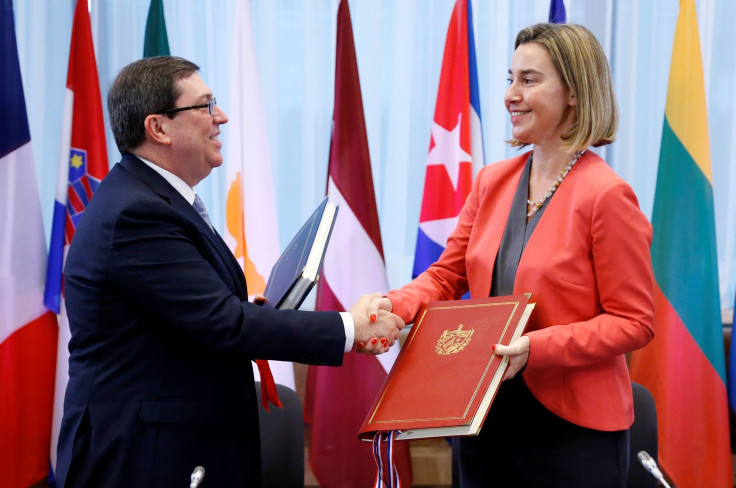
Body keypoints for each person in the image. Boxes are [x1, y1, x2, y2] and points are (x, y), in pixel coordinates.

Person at [56, 56, 402, 488]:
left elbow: (190, 312)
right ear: (158, 128)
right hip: (143, 456)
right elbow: (221, 324)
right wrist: (350, 329)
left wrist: (252, 308)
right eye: (204, 106)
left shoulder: (154, 199)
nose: (220, 116)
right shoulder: (137, 213)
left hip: (175, 446)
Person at [365, 23, 654, 487]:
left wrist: (534, 349)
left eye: (529, 80)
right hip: (479, 412)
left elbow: (633, 322)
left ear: (575, 92)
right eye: (509, 78)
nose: (510, 95)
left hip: (572, 430)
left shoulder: (607, 196)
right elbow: (445, 276)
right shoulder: (492, 181)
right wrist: (392, 307)